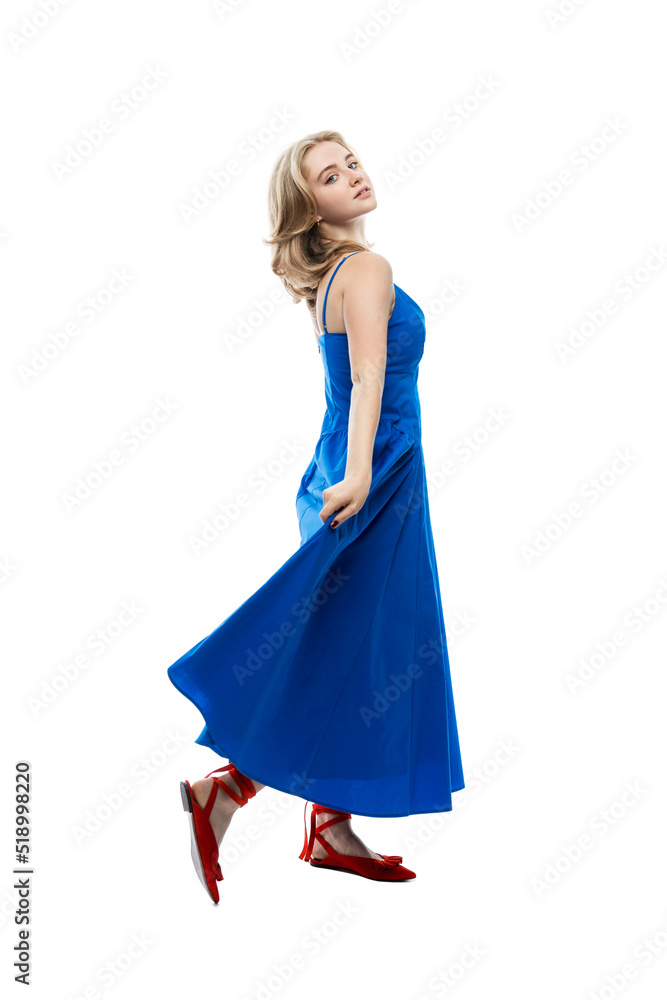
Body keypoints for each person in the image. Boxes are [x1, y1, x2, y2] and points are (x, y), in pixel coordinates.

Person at [167, 129, 465, 903]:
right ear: (311, 206)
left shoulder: (330, 276)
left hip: (344, 465)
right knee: (349, 646)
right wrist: (366, 473)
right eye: (331, 177)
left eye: (351, 162)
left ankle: (327, 826)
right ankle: (223, 791)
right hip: (375, 469)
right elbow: (367, 375)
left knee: (354, 643)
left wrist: (351, 467)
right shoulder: (365, 267)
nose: (353, 176)